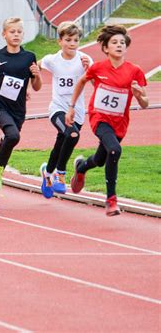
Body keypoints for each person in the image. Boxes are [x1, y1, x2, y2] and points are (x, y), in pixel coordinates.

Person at [66, 25, 148, 216]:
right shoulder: (98, 68)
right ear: (105, 48)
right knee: (114, 150)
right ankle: (111, 200)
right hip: (99, 117)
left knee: (101, 159)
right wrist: (71, 107)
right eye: (114, 42)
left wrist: (138, 95)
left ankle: (81, 167)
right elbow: (81, 82)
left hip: (120, 123)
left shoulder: (134, 71)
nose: (119, 45)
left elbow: (145, 103)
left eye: (122, 43)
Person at [0, 17, 42, 208]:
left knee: (11, 139)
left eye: (19, 32)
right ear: (4, 34)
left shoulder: (29, 57)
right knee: (13, 135)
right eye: (12, 32)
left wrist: (37, 74)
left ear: (23, 34)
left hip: (18, 109)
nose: (16, 35)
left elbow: (37, 87)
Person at [38, 21, 93, 198]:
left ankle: (47, 173)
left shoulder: (85, 59)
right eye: (68, 40)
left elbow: (95, 82)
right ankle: (59, 175)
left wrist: (89, 69)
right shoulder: (52, 60)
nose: (72, 44)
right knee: (72, 135)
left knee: (61, 144)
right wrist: (31, 78)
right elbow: (36, 65)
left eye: (76, 40)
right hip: (58, 109)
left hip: (77, 112)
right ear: (60, 41)